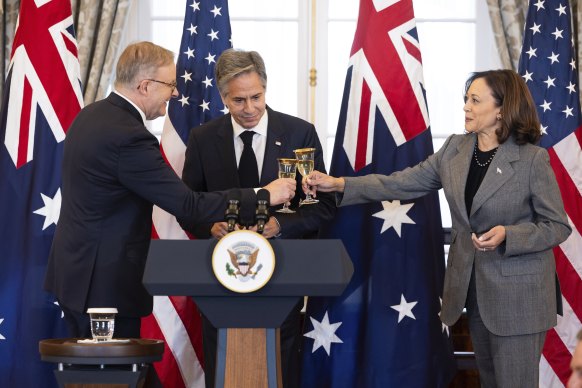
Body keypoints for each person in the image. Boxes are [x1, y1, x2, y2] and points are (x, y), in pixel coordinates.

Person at [303, 69, 571, 387]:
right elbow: (401, 182)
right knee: (489, 381)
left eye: (474, 100)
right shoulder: (455, 150)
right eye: (465, 99)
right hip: (473, 292)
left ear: (502, 109)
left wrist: (508, 235)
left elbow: (556, 226)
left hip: (519, 298)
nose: (466, 107)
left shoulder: (532, 160)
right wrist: (339, 183)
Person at [44, 41, 296, 340]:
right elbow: (188, 205)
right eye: (170, 84)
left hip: (78, 276)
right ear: (146, 86)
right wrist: (263, 194)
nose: (175, 93)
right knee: (108, 380)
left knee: (97, 379)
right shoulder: (128, 136)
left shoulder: (91, 115)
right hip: (104, 289)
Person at [178, 49, 336, 388]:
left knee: (279, 364)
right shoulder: (203, 139)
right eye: (238, 100)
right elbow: (188, 206)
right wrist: (209, 225)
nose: (249, 109)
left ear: (265, 88)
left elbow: (322, 206)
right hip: (221, 274)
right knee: (223, 362)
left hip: (281, 273)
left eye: (256, 97)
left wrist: (281, 225)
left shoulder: (299, 134)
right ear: (222, 96)